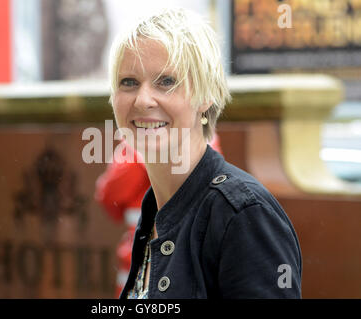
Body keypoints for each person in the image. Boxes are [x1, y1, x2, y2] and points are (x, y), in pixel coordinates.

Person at [107, 7, 302, 298]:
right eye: (129, 82)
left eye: (166, 81)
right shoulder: (153, 214)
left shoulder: (243, 214)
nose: (143, 99)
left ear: (205, 96)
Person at [95, 135, 223, 297]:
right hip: (181, 268)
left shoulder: (136, 142)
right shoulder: (203, 139)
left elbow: (110, 200)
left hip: (146, 268)